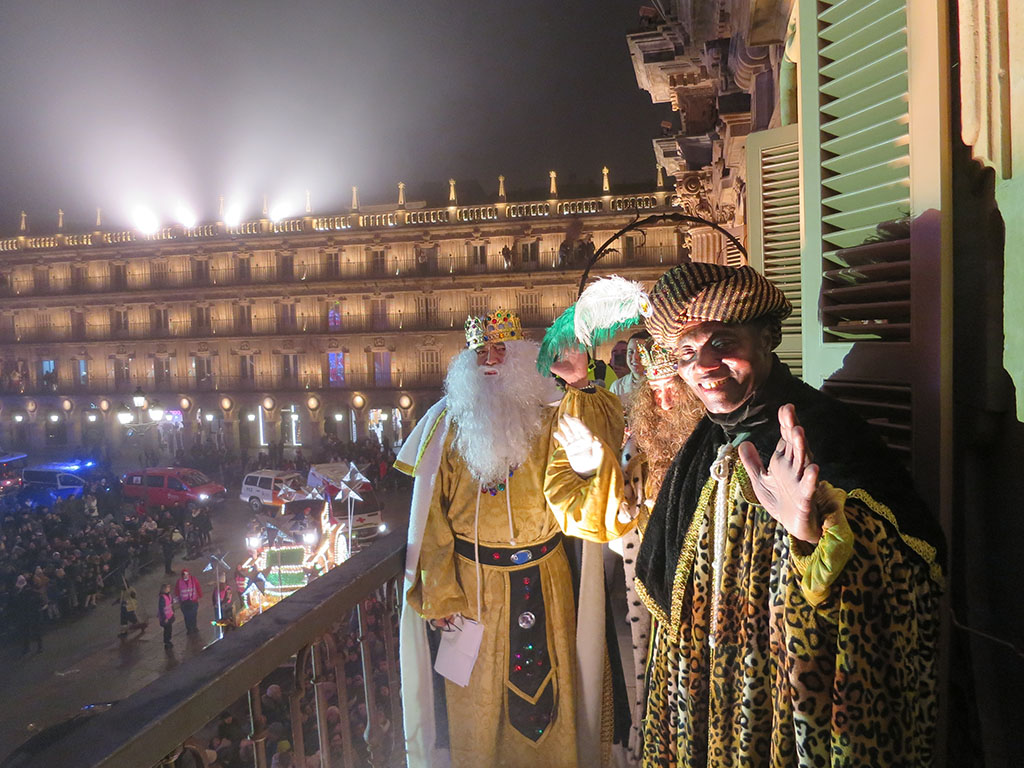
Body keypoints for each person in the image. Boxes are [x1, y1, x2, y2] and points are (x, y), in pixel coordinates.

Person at [635, 262, 945, 766]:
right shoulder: (702, 444)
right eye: (688, 353)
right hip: (709, 688)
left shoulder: (826, 433)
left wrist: (810, 535)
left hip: (783, 695)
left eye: (721, 342)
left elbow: (910, 568)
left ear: (767, 338)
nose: (704, 366)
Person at [402, 309, 630, 768]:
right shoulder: (445, 426)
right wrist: (442, 596)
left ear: (521, 357)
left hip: (547, 578)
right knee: (476, 705)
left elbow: (599, 447)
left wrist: (582, 385)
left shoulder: (549, 414)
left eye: (501, 349)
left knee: (555, 696)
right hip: (472, 590)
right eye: (480, 352)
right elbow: (430, 523)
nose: (490, 360)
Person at [608, 331, 650, 405]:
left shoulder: (660, 385)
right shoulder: (617, 387)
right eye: (631, 352)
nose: (635, 357)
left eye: (641, 353)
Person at [175, 567, 202, 635]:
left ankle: (194, 627)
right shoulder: (179, 582)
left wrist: (200, 594)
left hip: (193, 601)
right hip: (184, 602)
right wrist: (178, 600)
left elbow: (198, 587)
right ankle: (189, 629)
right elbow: (177, 591)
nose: (185, 576)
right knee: (187, 616)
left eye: (186, 574)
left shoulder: (193, 579)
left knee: (193, 615)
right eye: (184, 574)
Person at [158, 582, 175, 649]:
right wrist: (164, 618)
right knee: (167, 630)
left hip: (169, 616)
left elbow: (171, 604)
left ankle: (168, 641)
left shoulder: (169, 595)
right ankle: (167, 642)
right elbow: (161, 609)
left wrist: (173, 612)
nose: (169, 588)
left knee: (169, 629)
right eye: (168, 587)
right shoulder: (162, 597)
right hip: (166, 617)